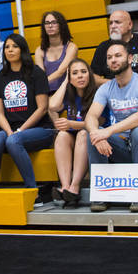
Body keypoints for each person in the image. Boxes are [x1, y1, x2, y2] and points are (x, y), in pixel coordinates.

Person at [84, 41, 138, 213]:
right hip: (125, 147)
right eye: (110, 57)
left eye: (118, 55)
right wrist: (97, 134)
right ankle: (101, 192)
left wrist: (108, 131)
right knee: (90, 133)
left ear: (130, 58)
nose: (113, 60)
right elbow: (91, 116)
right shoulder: (106, 88)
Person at [0, 34, 55, 201]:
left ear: (22, 49)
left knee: (12, 141)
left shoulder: (35, 73)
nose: (10, 50)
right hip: (12, 129)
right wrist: (10, 131)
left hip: (39, 129)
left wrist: (19, 131)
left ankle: (33, 192)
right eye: (7, 47)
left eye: (14, 46)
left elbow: (42, 108)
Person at [48, 58, 98, 208]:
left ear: (89, 74)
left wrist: (71, 124)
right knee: (62, 135)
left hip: (94, 136)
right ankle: (65, 186)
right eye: (75, 73)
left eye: (83, 72)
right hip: (73, 137)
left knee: (83, 134)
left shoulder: (97, 93)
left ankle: (75, 186)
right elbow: (52, 105)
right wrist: (65, 82)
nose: (80, 76)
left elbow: (99, 122)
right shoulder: (70, 94)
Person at [90, 10, 138, 83]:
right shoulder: (103, 47)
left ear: (130, 25)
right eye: (110, 23)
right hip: (113, 92)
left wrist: (137, 83)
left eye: (117, 22)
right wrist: (112, 85)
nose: (113, 26)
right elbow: (93, 76)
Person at [34, 10, 78, 94]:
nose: (50, 26)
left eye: (54, 22)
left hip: (68, 91)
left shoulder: (71, 47)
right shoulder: (39, 50)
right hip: (47, 92)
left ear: (61, 25)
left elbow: (60, 72)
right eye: (47, 23)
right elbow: (41, 75)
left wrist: (41, 84)